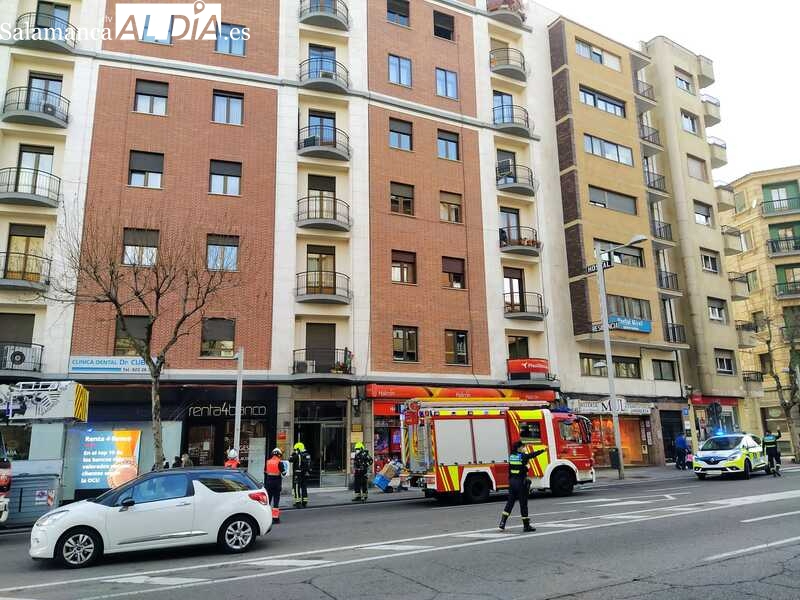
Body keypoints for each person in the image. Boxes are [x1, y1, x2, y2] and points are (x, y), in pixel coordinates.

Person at [499, 440, 546, 532]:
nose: (524, 448)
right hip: (521, 483)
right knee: (523, 504)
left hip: (512, 482)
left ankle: (502, 522)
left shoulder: (511, 456)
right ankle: (526, 526)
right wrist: (542, 451)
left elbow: (511, 470)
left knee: (510, 503)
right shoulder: (523, 456)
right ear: (519, 448)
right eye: (523, 447)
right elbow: (532, 455)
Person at [264, 448, 287, 522]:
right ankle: (275, 518)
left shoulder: (268, 462)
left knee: (268, 500)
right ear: (279, 454)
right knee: (276, 501)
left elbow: (265, 471)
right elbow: (284, 473)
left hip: (268, 483)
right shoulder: (279, 462)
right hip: (277, 483)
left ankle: (267, 516)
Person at [290, 442, 311, 507]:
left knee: (297, 488)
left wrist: (292, 454)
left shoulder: (297, 455)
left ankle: (298, 502)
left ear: (298, 449)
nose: (294, 450)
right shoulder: (307, 455)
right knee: (304, 487)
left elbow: (290, 460)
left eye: (295, 449)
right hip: (304, 474)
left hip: (298, 474)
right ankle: (304, 501)